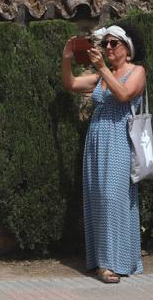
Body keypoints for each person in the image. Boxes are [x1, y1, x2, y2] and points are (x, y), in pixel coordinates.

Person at [61, 24, 147, 284]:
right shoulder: (102, 75)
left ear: (127, 49)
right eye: (106, 43)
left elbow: (123, 95)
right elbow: (71, 83)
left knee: (113, 197)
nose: (108, 48)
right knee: (98, 197)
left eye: (114, 44)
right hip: (97, 140)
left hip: (119, 139)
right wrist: (67, 58)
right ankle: (103, 260)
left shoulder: (137, 71)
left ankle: (114, 262)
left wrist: (101, 68)